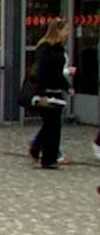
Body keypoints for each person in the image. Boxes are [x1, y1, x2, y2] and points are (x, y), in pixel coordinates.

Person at [29, 19, 73, 169]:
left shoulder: (59, 48)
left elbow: (58, 72)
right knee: (50, 124)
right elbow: (41, 71)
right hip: (45, 91)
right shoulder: (44, 48)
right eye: (65, 30)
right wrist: (40, 93)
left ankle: (45, 154)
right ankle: (47, 158)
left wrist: (67, 87)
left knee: (54, 126)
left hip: (57, 90)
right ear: (58, 31)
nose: (67, 33)